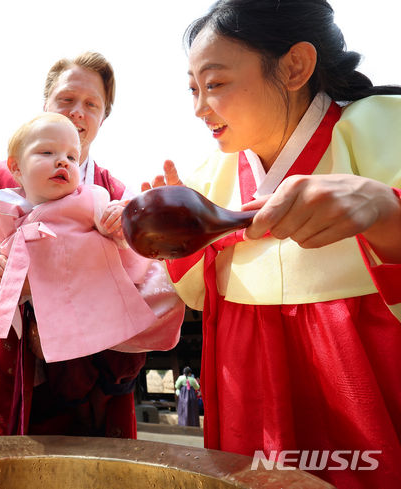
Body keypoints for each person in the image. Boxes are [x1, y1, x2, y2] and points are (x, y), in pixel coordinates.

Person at [147, 1, 401, 486]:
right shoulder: (208, 177)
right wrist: (168, 237)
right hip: (248, 383)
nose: (199, 108)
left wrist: (386, 210)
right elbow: (198, 292)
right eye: (193, 89)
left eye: (214, 84)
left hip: (365, 372)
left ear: (295, 67)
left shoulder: (386, 130)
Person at [0, 52, 183, 440]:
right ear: (45, 105)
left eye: (92, 104)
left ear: (103, 117)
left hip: (94, 360)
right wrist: (0, 273)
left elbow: (147, 279)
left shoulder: (114, 194)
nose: (78, 112)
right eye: (66, 100)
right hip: (7, 352)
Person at [0, 112, 180, 362]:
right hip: (46, 316)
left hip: (96, 301)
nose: (62, 162)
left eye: (72, 156)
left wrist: (118, 219)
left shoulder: (89, 199)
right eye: (47, 153)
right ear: (16, 167)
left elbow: (114, 231)